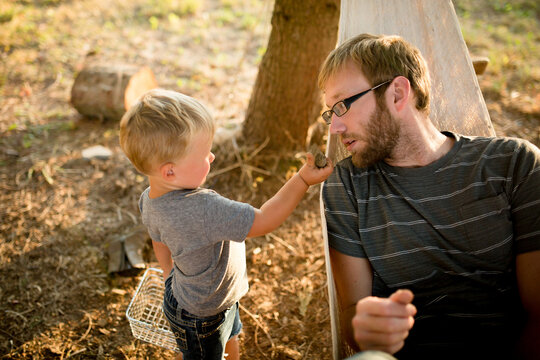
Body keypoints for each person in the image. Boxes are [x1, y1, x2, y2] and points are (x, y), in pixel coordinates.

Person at [318, 33, 540, 359]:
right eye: (329, 113)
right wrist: (366, 328)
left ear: (397, 93)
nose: (334, 128)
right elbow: (353, 314)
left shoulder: (514, 164)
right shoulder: (345, 186)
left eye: (341, 106)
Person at [119, 89, 332, 360]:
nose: (212, 158)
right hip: (202, 318)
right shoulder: (205, 209)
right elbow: (265, 220)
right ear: (169, 171)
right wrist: (302, 180)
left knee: (231, 334)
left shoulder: (148, 200)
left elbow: (157, 239)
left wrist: (167, 273)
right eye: (204, 154)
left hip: (206, 300)